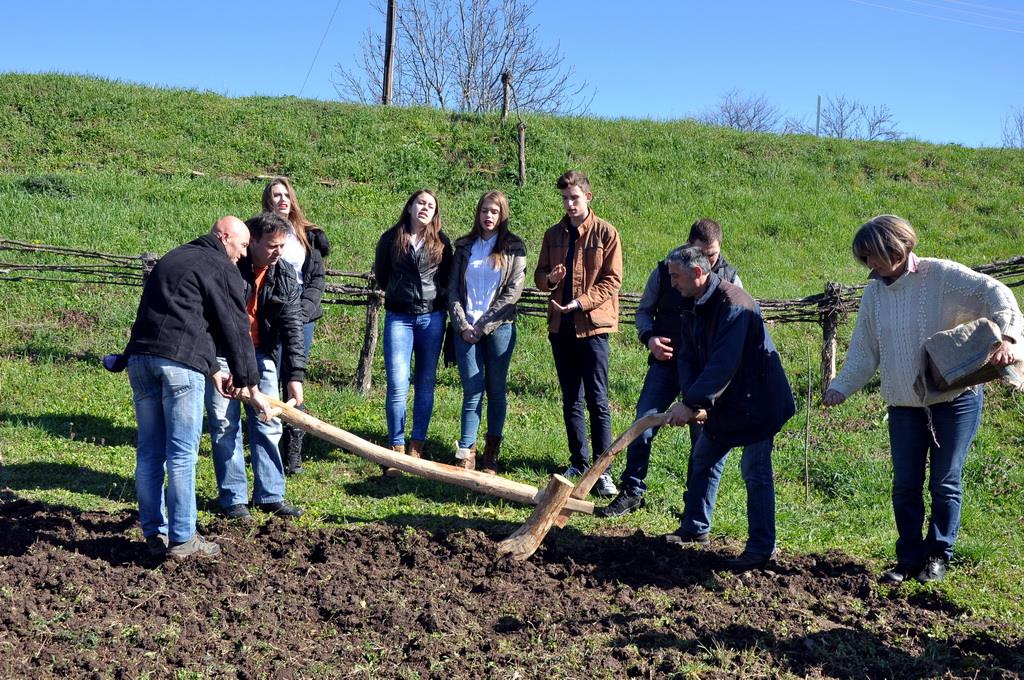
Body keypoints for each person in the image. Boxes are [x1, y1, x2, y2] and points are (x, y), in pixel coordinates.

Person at [824, 215, 1022, 585]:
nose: (870, 266)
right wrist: (842, 386)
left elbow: (996, 294)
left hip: (954, 399)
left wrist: (1009, 339)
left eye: (873, 256)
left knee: (945, 481)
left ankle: (938, 555)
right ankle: (908, 557)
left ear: (896, 248)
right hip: (903, 406)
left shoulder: (941, 276)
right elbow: (865, 351)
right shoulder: (875, 293)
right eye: (864, 259)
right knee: (905, 485)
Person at [122, 217, 272, 560]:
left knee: (149, 453)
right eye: (243, 245)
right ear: (223, 237)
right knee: (181, 453)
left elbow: (179, 320)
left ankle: (153, 532)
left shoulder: (174, 257)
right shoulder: (219, 265)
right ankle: (183, 538)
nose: (245, 253)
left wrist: (212, 370)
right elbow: (234, 326)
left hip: (142, 361)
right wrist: (251, 383)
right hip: (178, 369)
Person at [663, 244, 795, 572]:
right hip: (726, 403)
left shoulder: (735, 305)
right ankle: (695, 529)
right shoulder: (691, 302)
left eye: (676, 276)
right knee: (704, 458)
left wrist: (693, 402)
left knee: (755, 472)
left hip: (758, 401)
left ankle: (762, 548)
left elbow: (724, 362)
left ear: (698, 273)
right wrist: (690, 398)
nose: (672, 283)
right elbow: (688, 355)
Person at [600, 219, 743, 517]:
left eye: (713, 255)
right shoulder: (667, 272)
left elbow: (738, 328)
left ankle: (694, 502)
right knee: (644, 421)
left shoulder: (729, 280)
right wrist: (649, 338)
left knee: (702, 437)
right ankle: (632, 491)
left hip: (705, 372)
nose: (707, 260)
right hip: (666, 364)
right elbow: (643, 311)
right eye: (701, 252)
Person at [204, 212, 307, 520]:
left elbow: (292, 325)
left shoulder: (284, 273)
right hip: (223, 354)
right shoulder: (230, 267)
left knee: (269, 421)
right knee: (225, 424)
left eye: (282, 246)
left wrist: (295, 375)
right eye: (273, 246)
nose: (279, 252)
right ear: (253, 242)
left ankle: (270, 494)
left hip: (261, 354)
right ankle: (233, 498)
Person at [533, 170, 622, 497]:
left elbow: (612, 281)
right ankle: (578, 462)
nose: (570, 204)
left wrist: (581, 302)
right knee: (572, 397)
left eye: (575, 198)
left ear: (588, 197)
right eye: (565, 198)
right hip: (561, 327)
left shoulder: (606, 233)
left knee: (597, 400)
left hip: (593, 326)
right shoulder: (552, 235)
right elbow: (539, 278)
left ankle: (603, 472)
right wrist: (552, 280)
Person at [373, 189, 453, 473]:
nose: (425, 208)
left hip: (431, 318)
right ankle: (395, 447)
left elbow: (447, 278)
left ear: (435, 212)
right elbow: (382, 275)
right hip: (399, 317)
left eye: (431, 205)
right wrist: (399, 295)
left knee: (425, 383)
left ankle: (416, 446)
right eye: (421, 202)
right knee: (397, 383)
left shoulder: (442, 242)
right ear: (409, 207)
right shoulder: (390, 239)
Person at [448, 191, 527, 474]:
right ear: (477, 213)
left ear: (502, 214)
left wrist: (484, 326)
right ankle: (465, 450)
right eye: (484, 210)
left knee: (495, 389)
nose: (488, 216)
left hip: (499, 328)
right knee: (471, 389)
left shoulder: (514, 248)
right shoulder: (465, 245)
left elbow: (512, 293)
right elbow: (453, 289)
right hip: (465, 328)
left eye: (494, 211)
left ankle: (491, 452)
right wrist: (463, 325)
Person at [262, 177, 328, 475]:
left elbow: (315, 279)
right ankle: (269, 446)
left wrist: (302, 311)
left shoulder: (308, 236)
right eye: (276, 195)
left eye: (286, 194)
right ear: (268, 200)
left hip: (301, 316)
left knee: (294, 377)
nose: (282, 200)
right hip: (270, 313)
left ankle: (293, 452)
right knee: (270, 376)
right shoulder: (260, 232)